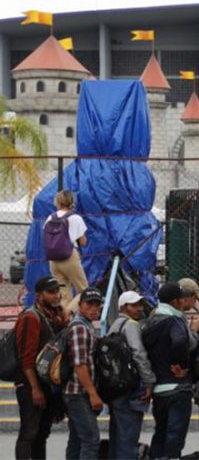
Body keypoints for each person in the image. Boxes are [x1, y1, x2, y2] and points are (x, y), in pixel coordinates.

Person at [14, 275, 69, 460]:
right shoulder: (30, 317)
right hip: (30, 384)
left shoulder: (54, 315)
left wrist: (64, 315)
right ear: (39, 295)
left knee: (42, 435)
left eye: (57, 291)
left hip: (47, 383)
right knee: (29, 432)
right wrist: (35, 389)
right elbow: (26, 358)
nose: (56, 296)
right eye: (51, 292)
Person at [143, 282, 193, 460]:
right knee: (174, 438)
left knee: (160, 434)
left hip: (158, 389)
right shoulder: (174, 320)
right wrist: (183, 366)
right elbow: (179, 341)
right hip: (176, 388)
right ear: (176, 301)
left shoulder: (150, 321)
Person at [107, 291, 156, 460]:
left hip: (115, 387)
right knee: (128, 438)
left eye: (140, 305)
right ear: (123, 307)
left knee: (117, 437)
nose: (139, 308)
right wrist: (149, 381)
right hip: (130, 387)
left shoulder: (114, 325)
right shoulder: (131, 325)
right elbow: (138, 353)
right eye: (134, 305)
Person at [63, 287, 104, 460]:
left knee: (77, 439)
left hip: (77, 392)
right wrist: (93, 394)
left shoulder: (85, 325)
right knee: (91, 440)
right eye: (89, 304)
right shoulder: (80, 328)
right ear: (80, 305)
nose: (94, 308)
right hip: (78, 392)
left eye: (97, 304)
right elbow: (80, 365)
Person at [44, 189, 89, 310]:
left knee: (64, 293)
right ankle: (67, 315)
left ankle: (61, 320)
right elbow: (83, 242)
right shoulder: (75, 218)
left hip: (53, 260)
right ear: (72, 202)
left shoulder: (50, 218)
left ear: (58, 202)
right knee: (84, 291)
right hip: (69, 257)